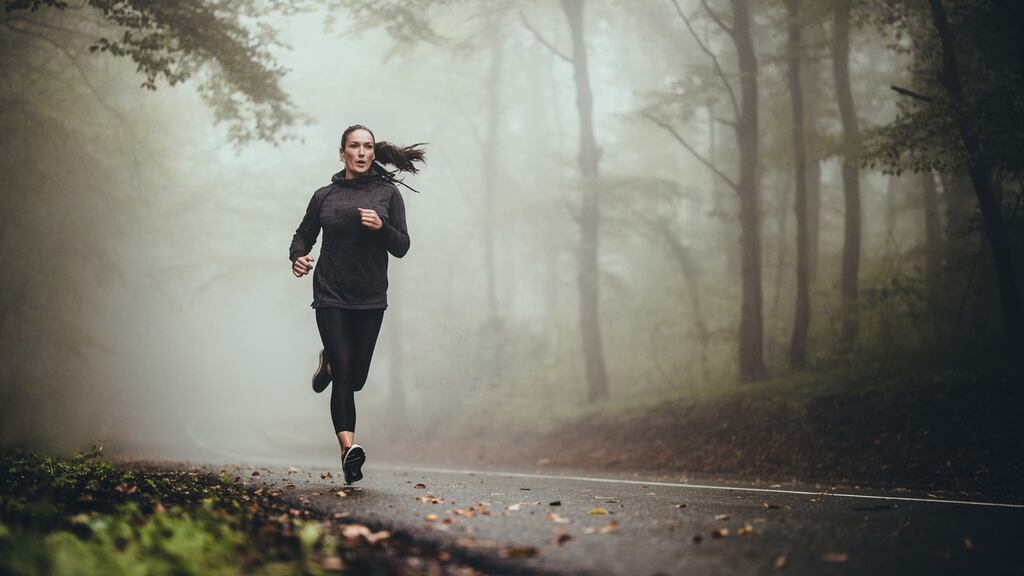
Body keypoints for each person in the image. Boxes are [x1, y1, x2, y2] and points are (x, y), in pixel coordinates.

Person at [289, 124, 424, 484]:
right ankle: (348, 450)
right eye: (354, 146)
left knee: (357, 377)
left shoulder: (388, 194)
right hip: (330, 293)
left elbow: (402, 246)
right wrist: (298, 257)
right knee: (347, 375)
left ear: (373, 153)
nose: (361, 152)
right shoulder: (325, 196)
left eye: (367, 146)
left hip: (370, 296)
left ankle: (328, 363)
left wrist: (382, 227)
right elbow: (303, 236)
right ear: (342, 153)